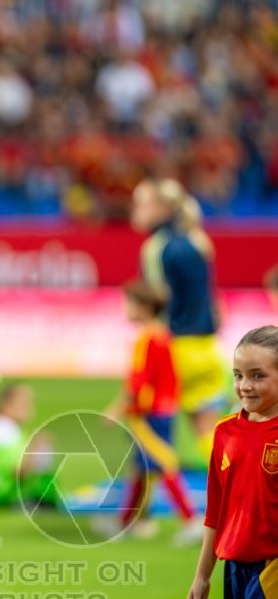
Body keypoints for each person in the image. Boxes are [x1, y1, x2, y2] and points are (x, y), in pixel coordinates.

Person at [131, 178, 228, 465]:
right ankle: (239, 493)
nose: (135, 210)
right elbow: (215, 304)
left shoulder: (156, 248)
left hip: (175, 349)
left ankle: (147, 503)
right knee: (207, 433)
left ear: (163, 208)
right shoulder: (198, 242)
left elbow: (157, 301)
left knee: (151, 432)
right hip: (207, 348)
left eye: (143, 203)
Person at [100, 281, 202, 544]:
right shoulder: (162, 335)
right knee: (140, 468)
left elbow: (138, 382)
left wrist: (115, 410)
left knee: (163, 463)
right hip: (163, 410)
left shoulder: (147, 339)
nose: (126, 309)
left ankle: (190, 520)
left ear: (144, 308)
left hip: (150, 414)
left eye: (130, 304)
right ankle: (126, 523)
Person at [188, 325, 278, 599]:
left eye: (257, 376)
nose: (245, 385)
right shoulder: (225, 432)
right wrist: (202, 576)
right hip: (234, 565)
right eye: (238, 376)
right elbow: (215, 510)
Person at [0, 383, 56, 509]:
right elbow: (18, 471)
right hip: (2, 496)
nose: (30, 409)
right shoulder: (2, 429)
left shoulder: (3, 427)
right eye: (24, 404)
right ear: (7, 405)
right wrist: (35, 448)